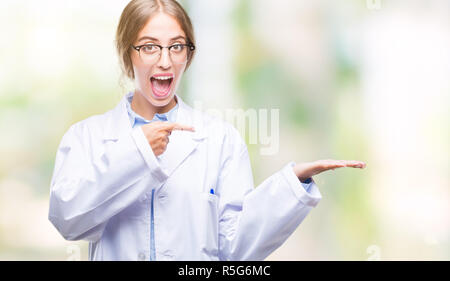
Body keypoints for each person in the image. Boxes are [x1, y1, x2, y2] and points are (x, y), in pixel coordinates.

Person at [48, 0, 366, 261]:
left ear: (189, 54)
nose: (164, 61)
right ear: (127, 53)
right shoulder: (87, 137)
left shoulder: (220, 139)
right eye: (149, 47)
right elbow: (69, 221)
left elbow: (233, 248)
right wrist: (137, 153)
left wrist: (292, 183)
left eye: (176, 47)